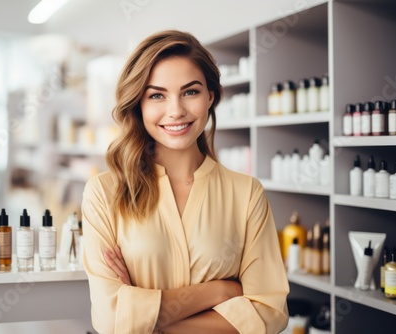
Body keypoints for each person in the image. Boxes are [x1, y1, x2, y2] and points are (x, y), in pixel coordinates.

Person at [81, 30, 289, 334]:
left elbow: (269, 313)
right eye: (157, 95)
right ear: (138, 104)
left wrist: (143, 316)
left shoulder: (246, 194)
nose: (176, 110)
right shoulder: (104, 194)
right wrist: (221, 291)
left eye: (190, 92)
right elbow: (110, 319)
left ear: (210, 97)